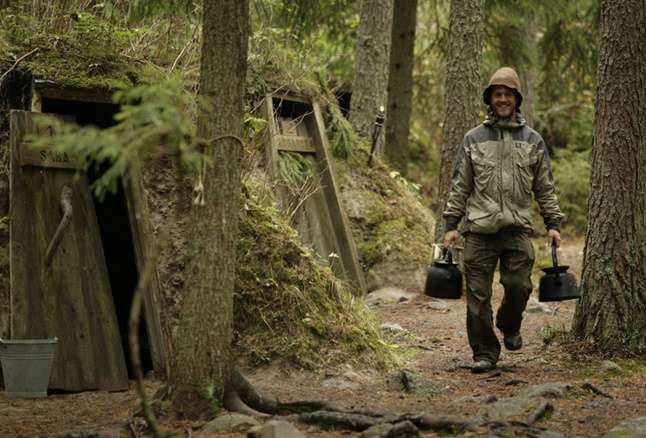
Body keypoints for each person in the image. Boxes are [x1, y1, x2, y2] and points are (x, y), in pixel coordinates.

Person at [442, 67, 563, 373]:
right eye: (498, 94)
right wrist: (451, 225)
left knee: (519, 286)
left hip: (517, 229)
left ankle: (509, 324)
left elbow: (544, 186)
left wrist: (553, 223)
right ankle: (484, 351)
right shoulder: (473, 139)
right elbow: (460, 185)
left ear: (517, 99)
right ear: (490, 99)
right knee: (477, 297)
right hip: (479, 231)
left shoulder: (533, 140)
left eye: (508, 94)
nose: (503, 99)